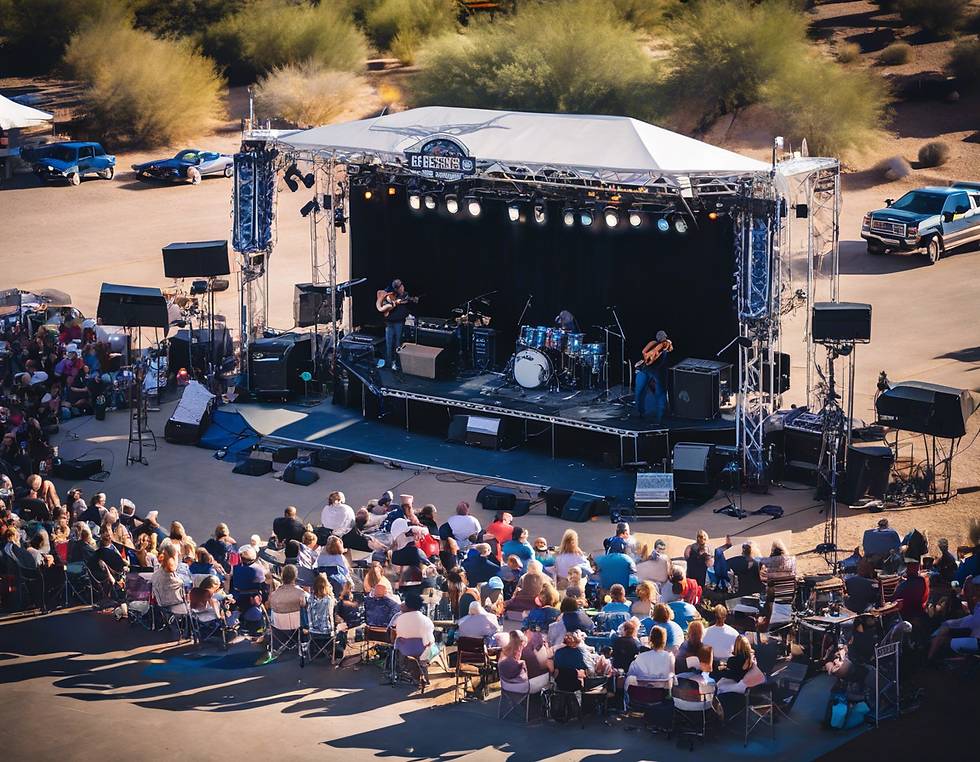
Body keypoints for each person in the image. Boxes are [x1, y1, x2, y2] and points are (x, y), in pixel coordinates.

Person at [377, 279, 415, 371]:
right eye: (399, 288)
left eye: (402, 287)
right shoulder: (388, 293)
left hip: (399, 322)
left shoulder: (405, 295)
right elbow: (380, 300)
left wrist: (412, 299)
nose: (401, 289)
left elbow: (407, 299)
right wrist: (392, 303)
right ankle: (388, 363)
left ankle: (397, 364)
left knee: (398, 343)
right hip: (389, 323)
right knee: (389, 343)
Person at [634, 331, 672, 421]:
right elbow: (644, 352)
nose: (664, 339)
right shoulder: (653, 343)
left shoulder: (667, 344)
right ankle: (641, 412)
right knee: (639, 391)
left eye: (664, 337)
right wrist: (645, 359)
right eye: (662, 337)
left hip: (659, 371)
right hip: (646, 369)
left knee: (661, 393)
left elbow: (669, 347)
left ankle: (661, 416)